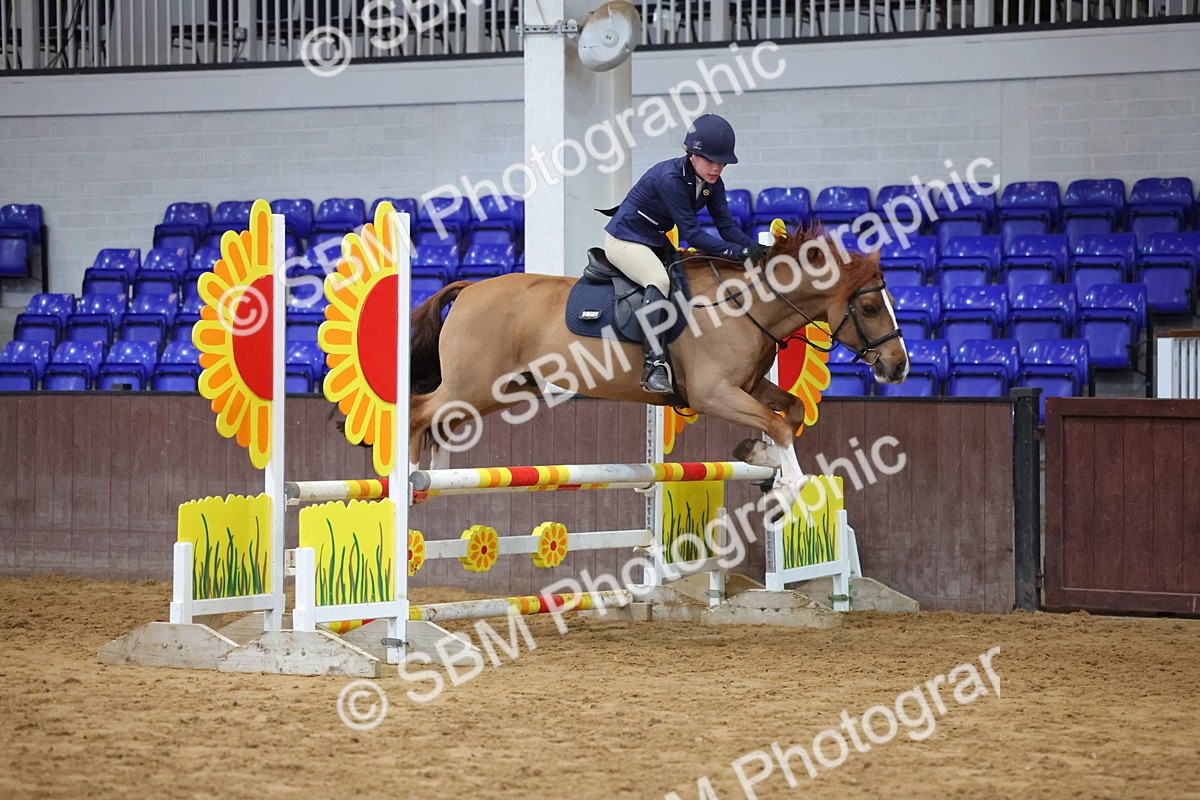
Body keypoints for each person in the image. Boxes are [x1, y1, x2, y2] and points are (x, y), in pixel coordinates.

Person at [603, 113, 769, 394]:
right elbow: (691, 233)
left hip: (654, 241)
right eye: (710, 160)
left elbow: (726, 226)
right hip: (624, 240)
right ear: (691, 155)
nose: (717, 168)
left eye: (722, 163)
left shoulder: (712, 183)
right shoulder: (671, 178)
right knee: (660, 281)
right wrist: (737, 252)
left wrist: (756, 249)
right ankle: (653, 365)